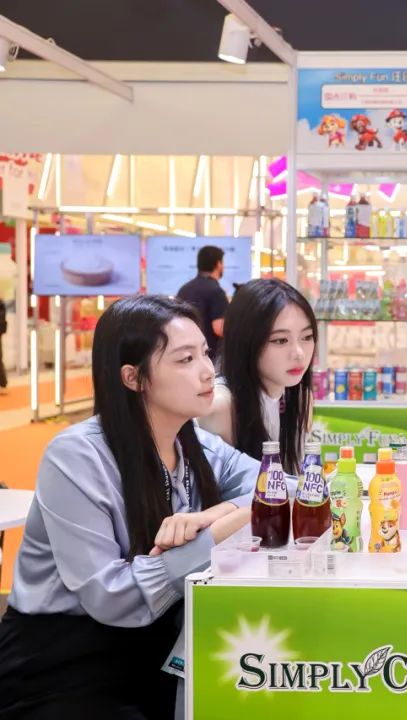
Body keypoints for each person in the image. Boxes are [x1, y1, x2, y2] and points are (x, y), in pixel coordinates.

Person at [0, 295, 257, 718]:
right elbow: (111, 596)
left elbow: (285, 488)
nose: (207, 370)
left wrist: (214, 514)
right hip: (61, 663)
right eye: (185, 359)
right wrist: (212, 537)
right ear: (133, 377)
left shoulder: (194, 443)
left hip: (156, 646)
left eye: (205, 353)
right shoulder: (77, 456)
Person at [199, 278, 317, 475]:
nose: (299, 353)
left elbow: (296, 476)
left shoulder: (299, 398)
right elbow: (216, 489)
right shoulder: (221, 406)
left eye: (307, 337)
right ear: (246, 342)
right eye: (280, 340)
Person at [177, 245, 228, 362]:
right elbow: (219, 328)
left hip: (185, 354)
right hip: (209, 356)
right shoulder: (216, 291)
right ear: (218, 264)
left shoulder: (184, 289)